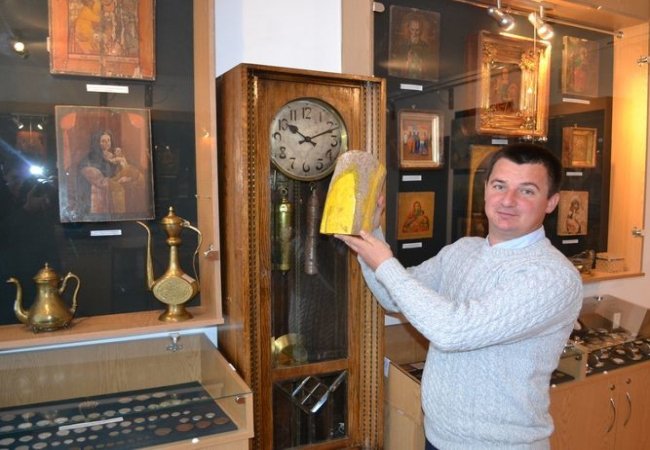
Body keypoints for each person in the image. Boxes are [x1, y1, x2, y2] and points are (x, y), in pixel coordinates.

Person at [337, 143, 583, 450]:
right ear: (486, 189)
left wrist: (385, 263)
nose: (508, 200)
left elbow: (452, 331)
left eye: (527, 191)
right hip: (438, 438)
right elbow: (393, 296)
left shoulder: (554, 277)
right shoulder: (463, 250)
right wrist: (372, 232)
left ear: (551, 202)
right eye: (499, 186)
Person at [77, 130, 144, 217]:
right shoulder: (91, 157)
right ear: (97, 142)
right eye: (103, 141)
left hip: (116, 179)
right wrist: (117, 179)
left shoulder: (113, 155)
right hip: (105, 183)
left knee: (134, 173)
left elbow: (120, 170)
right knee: (118, 188)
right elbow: (98, 177)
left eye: (109, 140)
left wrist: (124, 171)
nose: (107, 143)